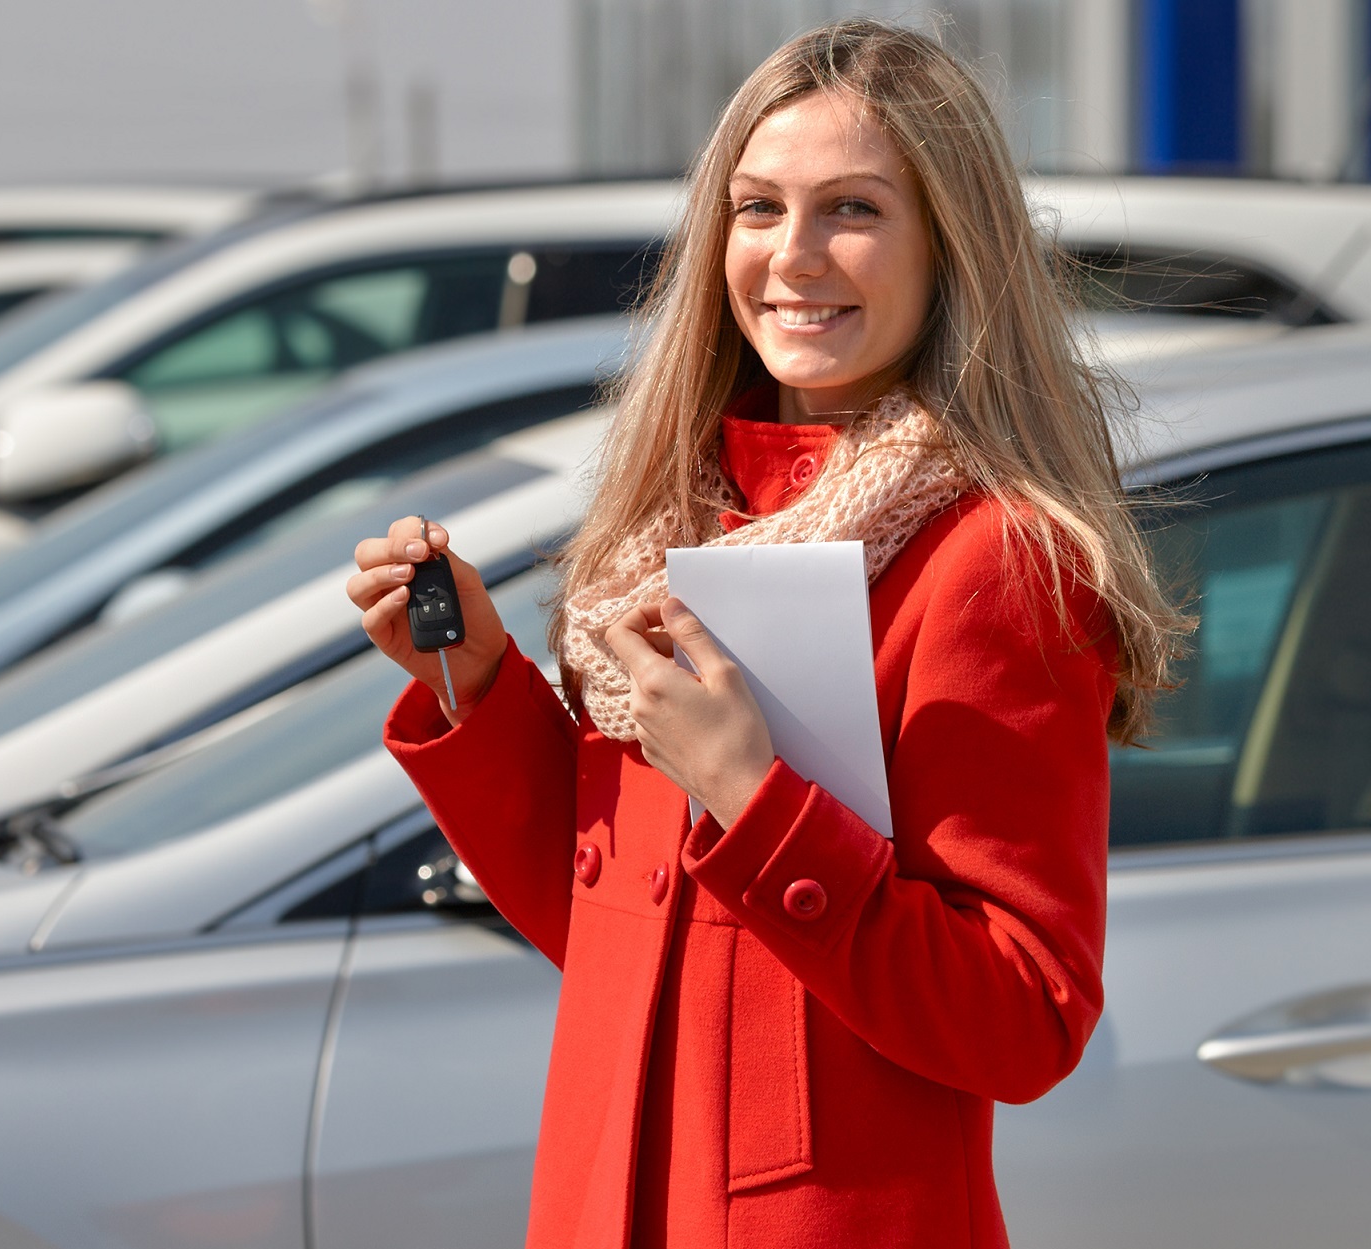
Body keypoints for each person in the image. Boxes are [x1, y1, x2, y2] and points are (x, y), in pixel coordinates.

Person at [345, 18, 1183, 1249]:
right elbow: (611, 931)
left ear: (950, 244)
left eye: (853, 208)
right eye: (756, 208)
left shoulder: (994, 559)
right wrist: (478, 681)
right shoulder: (673, 521)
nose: (794, 256)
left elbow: (1027, 1018)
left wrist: (753, 790)